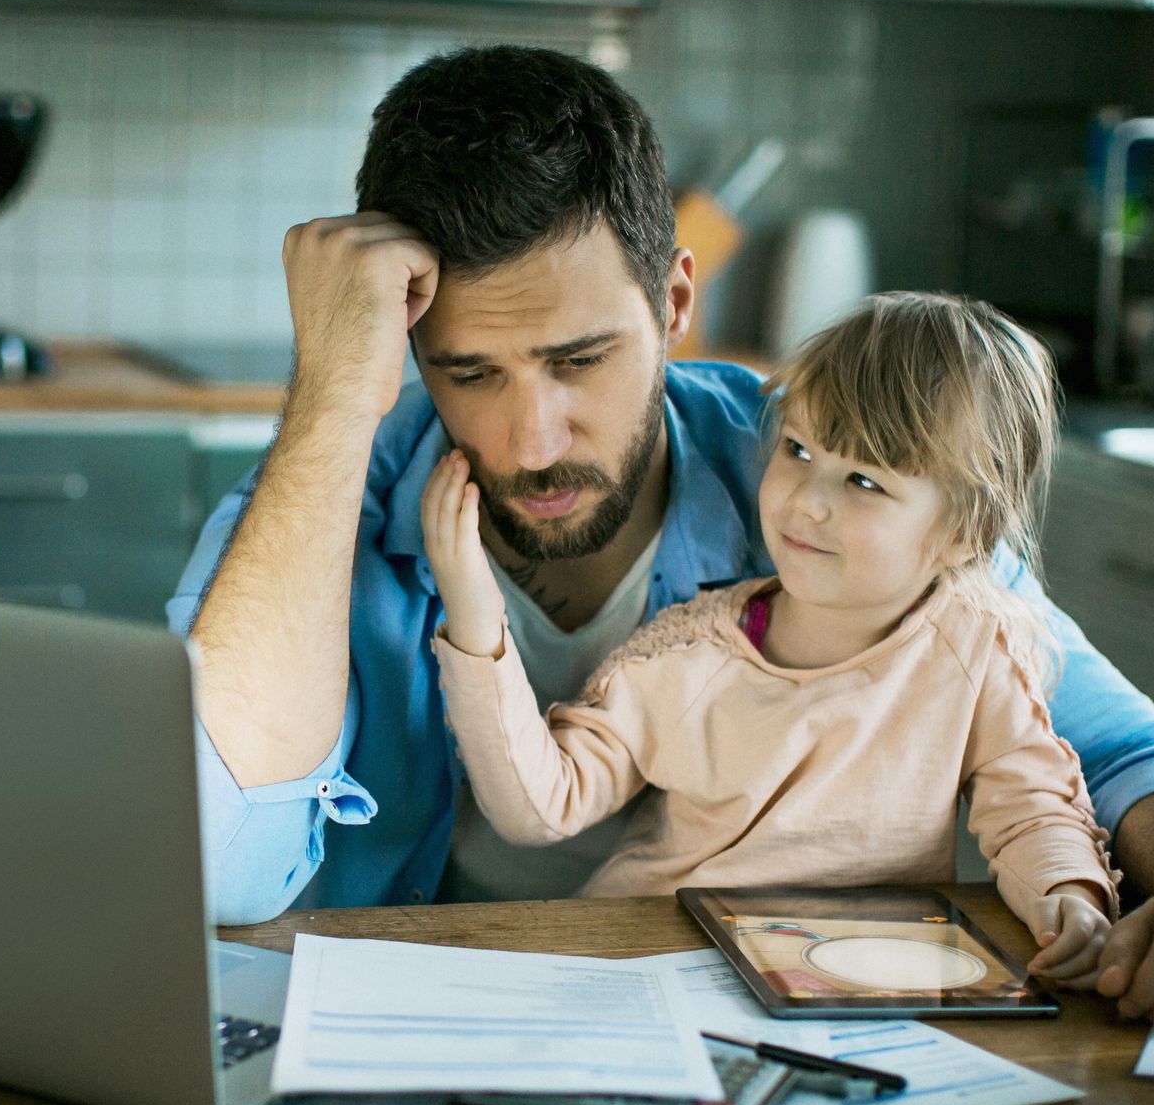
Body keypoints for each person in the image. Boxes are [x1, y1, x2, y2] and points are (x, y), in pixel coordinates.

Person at [173, 44, 1154, 1030]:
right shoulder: (327, 493)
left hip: (753, 1041)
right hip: (415, 1030)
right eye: (468, 372)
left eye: (578, 360)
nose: (532, 439)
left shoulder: (830, 479)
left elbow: (1141, 759)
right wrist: (331, 396)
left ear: (674, 304)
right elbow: (217, 863)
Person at [422, 290, 1116, 986]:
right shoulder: (684, 656)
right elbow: (538, 808)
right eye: (797, 449)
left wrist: (1068, 895)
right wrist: (476, 618)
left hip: (854, 989)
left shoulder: (973, 654)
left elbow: (1031, 813)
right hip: (658, 972)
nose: (805, 500)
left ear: (967, 535)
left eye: (863, 481)